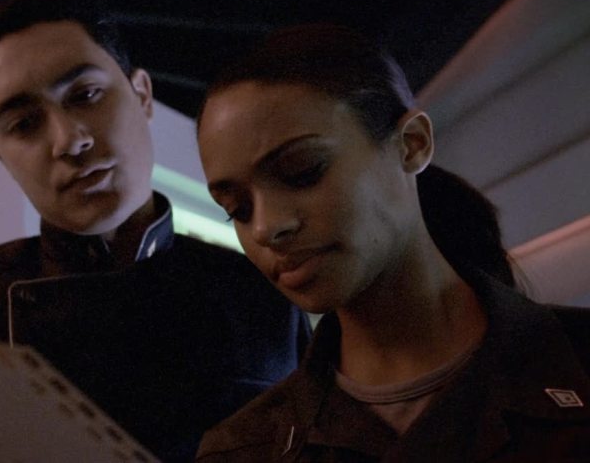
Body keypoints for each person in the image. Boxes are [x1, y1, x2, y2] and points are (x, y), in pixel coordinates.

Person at [0, 0, 310, 462]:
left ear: (142, 95)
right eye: (24, 124)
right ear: (0, 156)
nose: (69, 141)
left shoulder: (258, 295)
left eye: (86, 95)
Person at [194, 23, 590, 462]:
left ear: (411, 145)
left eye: (303, 171)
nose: (266, 228)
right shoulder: (244, 450)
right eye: (237, 208)